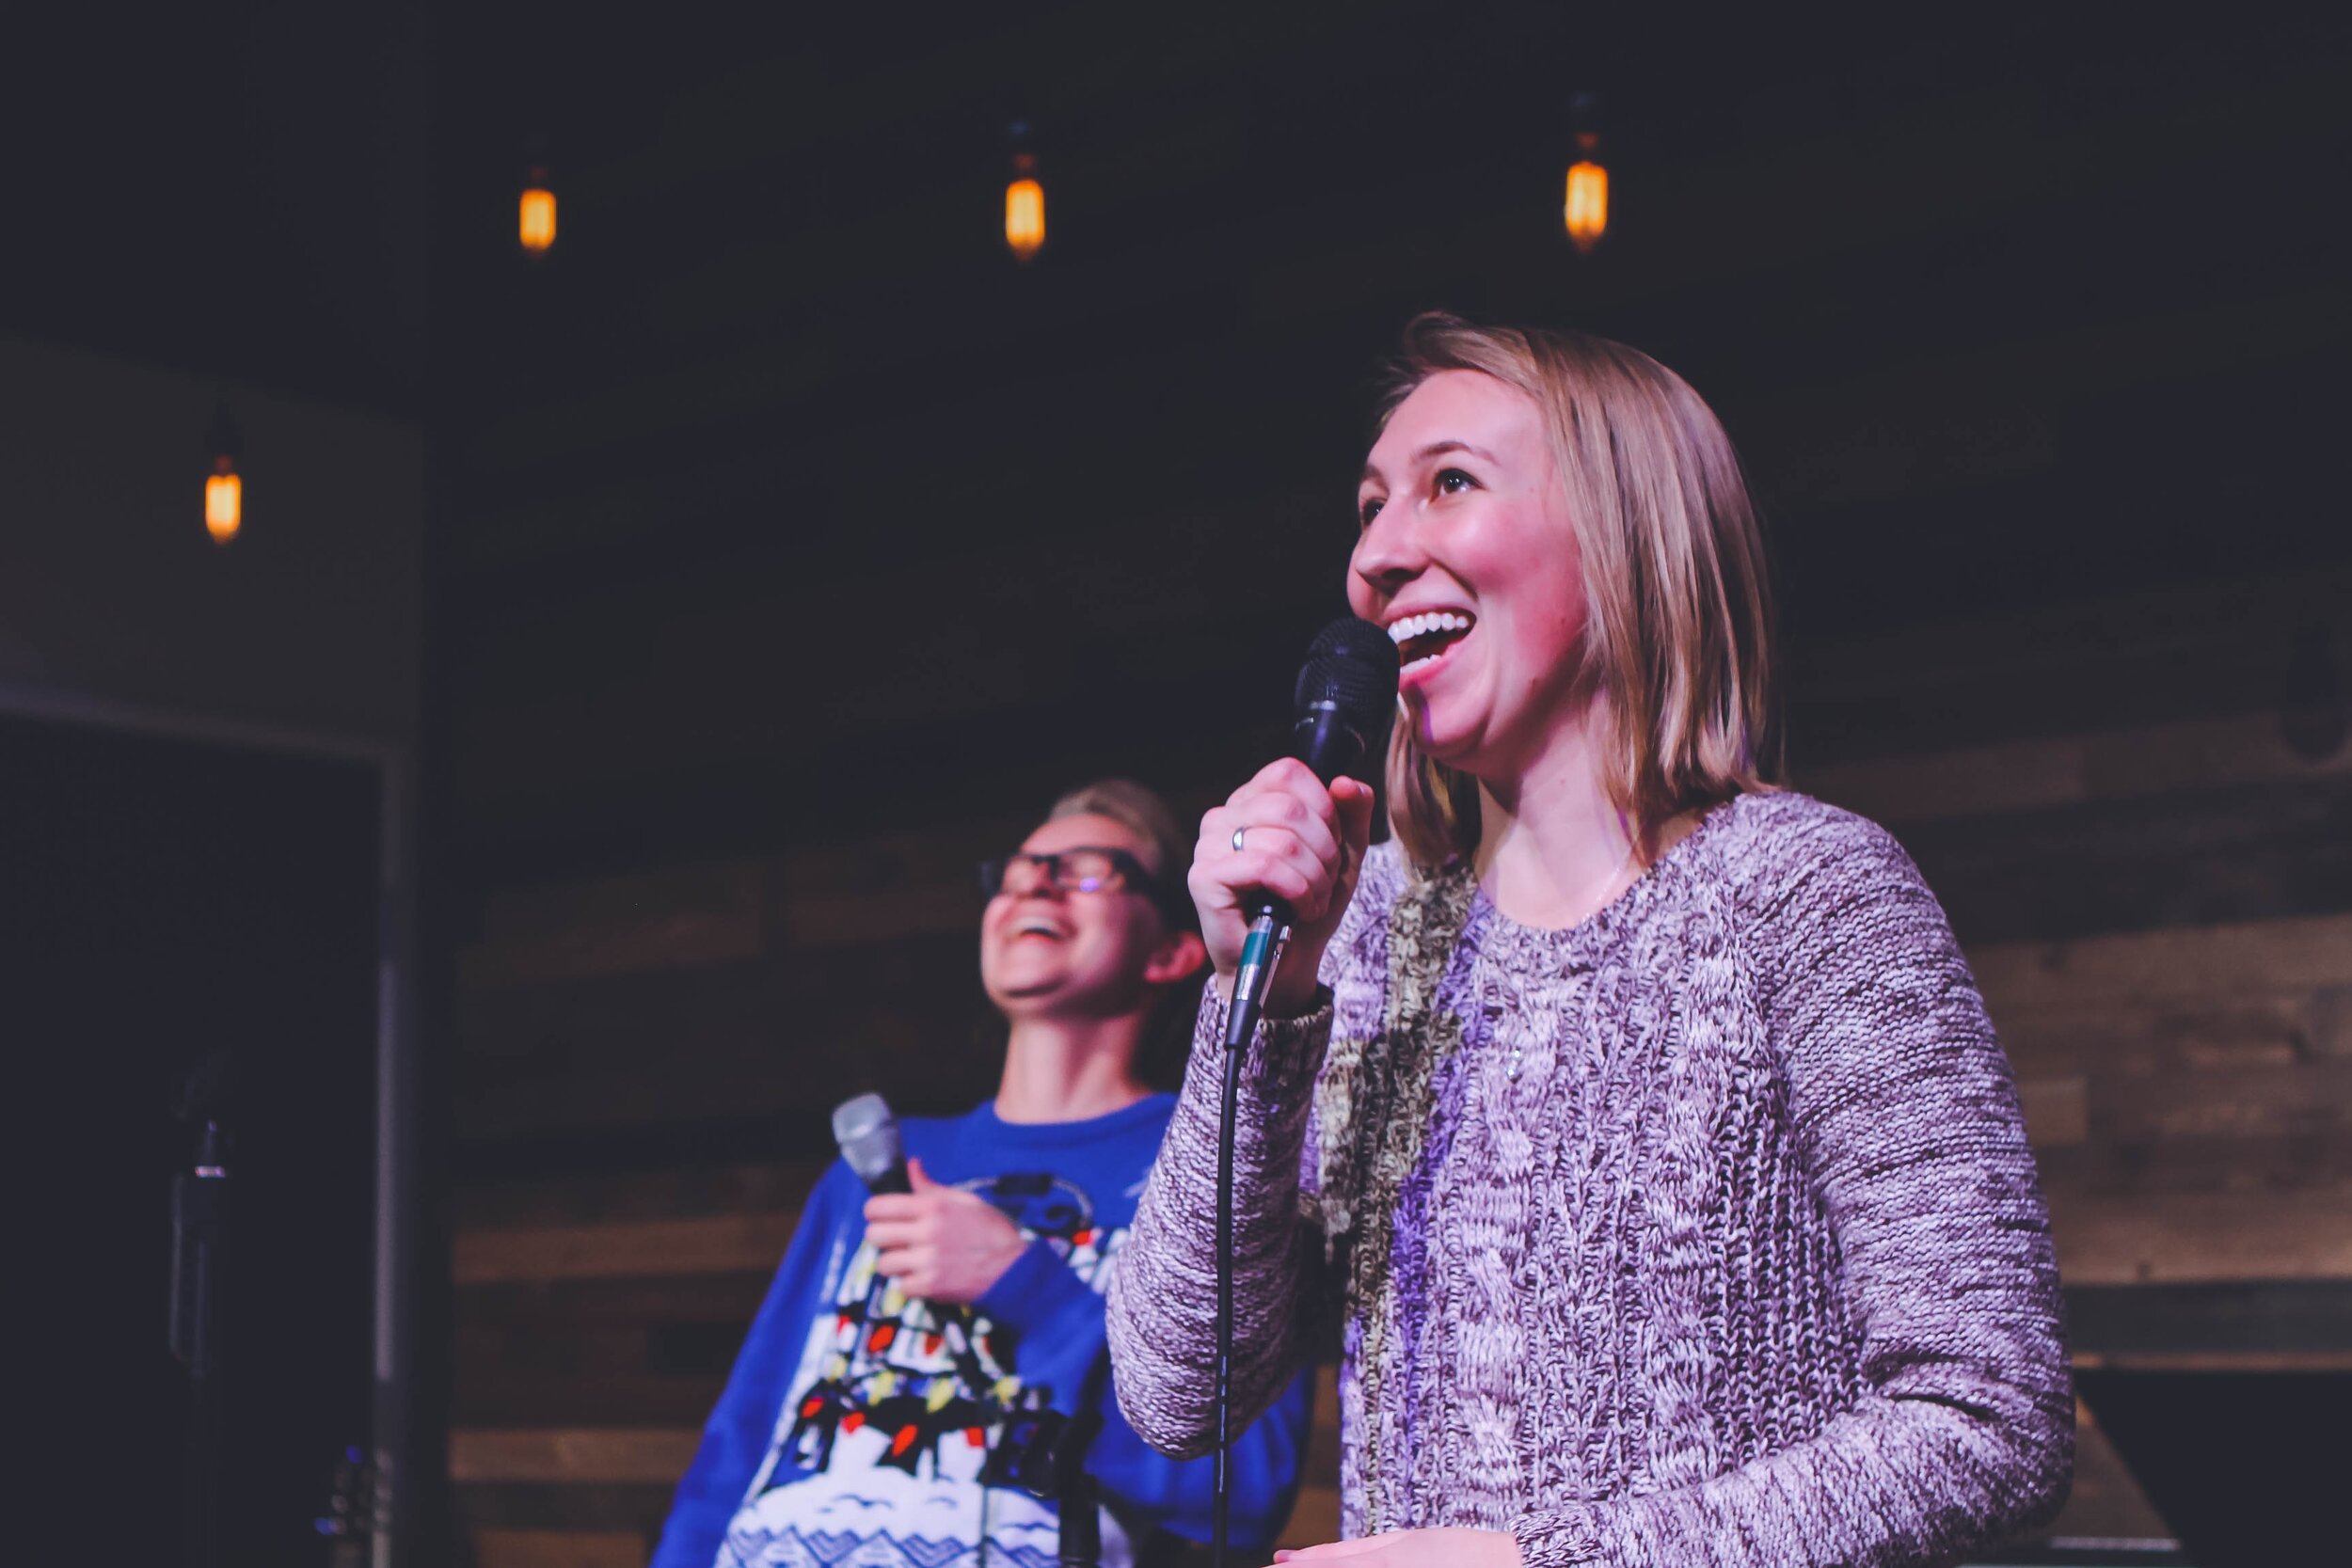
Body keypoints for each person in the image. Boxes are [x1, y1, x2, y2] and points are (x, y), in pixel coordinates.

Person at [1104, 316, 2074, 1568]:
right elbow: (1182, 1390)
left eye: (1447, 482)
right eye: (1367, 507)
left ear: (1626, 528)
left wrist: (1537, 1561)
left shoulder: (1809, 891)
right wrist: (1270, 997)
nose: (1376, 557)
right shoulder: (1373, 932)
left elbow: (1988, 1418)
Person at [654, 780, 1315, 1568]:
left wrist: (1024, 1286)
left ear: (1172, 949)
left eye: (1090, 869)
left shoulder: (1216, 1154)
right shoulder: (879, 1164)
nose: (1034, 881)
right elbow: (743, 1439)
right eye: (1020, 868)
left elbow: (1244, 1494)